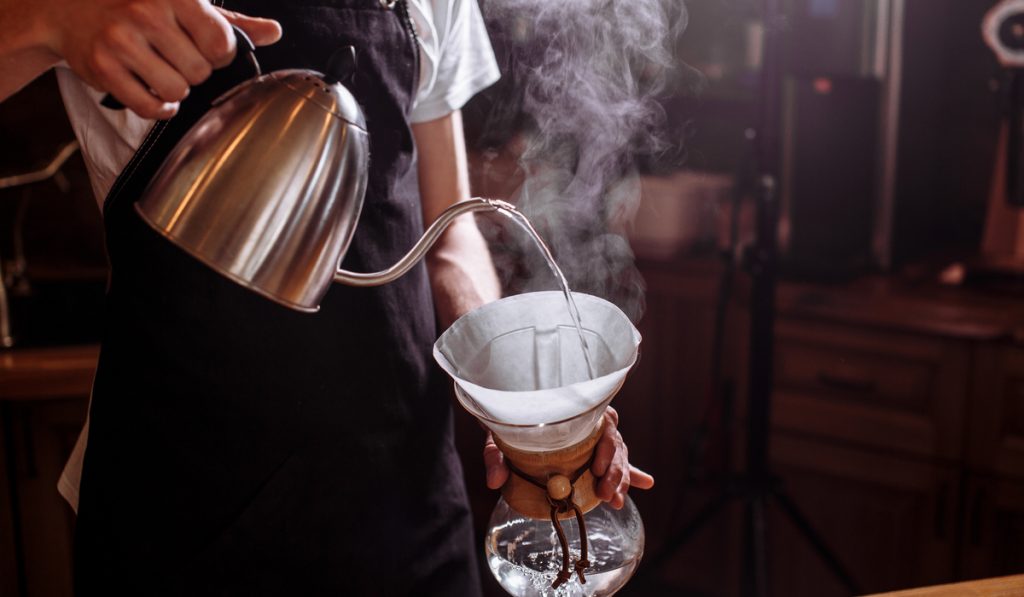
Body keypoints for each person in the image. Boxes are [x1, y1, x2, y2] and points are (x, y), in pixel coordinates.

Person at [0, 0, 654, 594]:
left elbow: (449, 225)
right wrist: (52, 20)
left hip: (408, 507)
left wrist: (518, 400)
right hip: (182, 507)